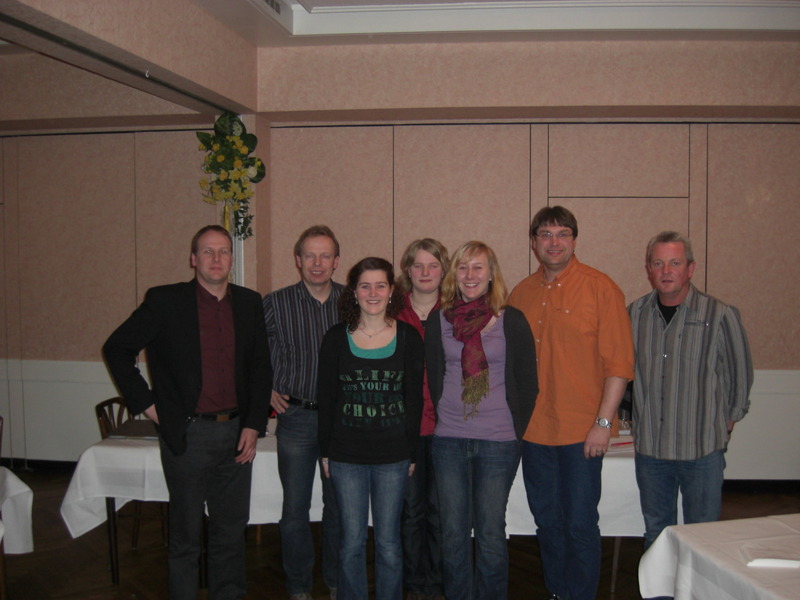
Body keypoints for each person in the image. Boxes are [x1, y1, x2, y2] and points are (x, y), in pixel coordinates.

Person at [103, 225, 271, 600]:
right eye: (207, 251)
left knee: (231, 533)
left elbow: (261, 368)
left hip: (237, 435)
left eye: (223, 251)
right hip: (188, 435)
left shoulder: (249, 303)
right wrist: (151, 408)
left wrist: (254, 424)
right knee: (185, 537)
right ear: (193, 259)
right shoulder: (165, 301)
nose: (216, 258)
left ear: (232, 258)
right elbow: (117, 349)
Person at [508, 206, 634, 600]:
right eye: (545, 234)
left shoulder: (601, 289)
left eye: (563, 233)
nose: (554, 242)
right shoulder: (520, 294)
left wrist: (603, 423)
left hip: (582, 432)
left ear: (575, 240)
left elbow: (620, 365)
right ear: (533, 242)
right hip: (533, 432)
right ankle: (558, 592)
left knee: (579, 523)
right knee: (546, 521)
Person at [426, 241, 537, 600]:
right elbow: (434, 375)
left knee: (489, 532)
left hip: (498, 442)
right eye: (463, 267)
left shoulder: (511, 319)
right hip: (449, 440)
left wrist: (516, 431)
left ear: (491, 274)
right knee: (453, 532)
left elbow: (529, 382)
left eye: (478, 267)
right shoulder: (439, 320)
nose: (470, 275)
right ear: (454, 275)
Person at [628, 231, 753, 550]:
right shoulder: (634, 314)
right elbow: (625, 372)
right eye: (658, 263)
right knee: (657, 536)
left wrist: (727, 423)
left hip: (701, 451)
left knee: (704, 539)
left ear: (691, 268)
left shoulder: (719, 314)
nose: (666, 271)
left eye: (675, 263)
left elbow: (740, 376)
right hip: (652, 452)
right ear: (649, 268)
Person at [317, 257, 424, 600]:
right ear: (354, 292)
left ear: (392, 291)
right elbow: (327, 400)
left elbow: (414, 401)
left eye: (380, 285)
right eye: (365, 286)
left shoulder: (408, 337)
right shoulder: (336, 338)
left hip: (393, 456)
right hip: (346, 456)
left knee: (389, 542)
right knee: (351, 541)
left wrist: (412, 453)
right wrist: (324, 452)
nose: (373, 293)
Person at [262, 225, 343, 600]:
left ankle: (335, 580)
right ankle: (298, 586)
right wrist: (265, 387)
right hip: (295, 419)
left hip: (341, 421)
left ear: (336, 261)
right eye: (310, 255)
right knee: (294, 509)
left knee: (338, 508)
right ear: (298, 260)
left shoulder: (352, 301)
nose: (317, 263)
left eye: (325, 255)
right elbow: (252, 353)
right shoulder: (275, 303)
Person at [396, 238, 449, 600]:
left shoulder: (458, 312)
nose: (425, 272)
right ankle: (414, 586)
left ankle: (440, 585)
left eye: (433, 265)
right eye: (418, 265)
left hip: (449, 430)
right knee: (411, 512)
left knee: (442, 513)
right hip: (406, 430)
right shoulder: (392, 313)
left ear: (444, 270)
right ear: (408, 270)